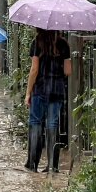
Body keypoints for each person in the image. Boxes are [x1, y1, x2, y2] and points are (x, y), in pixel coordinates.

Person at [24, 29, 72, 173]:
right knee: (53, 125)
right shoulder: (64, 44)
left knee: (35, 124)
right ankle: (52, 165)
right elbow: (68, 71)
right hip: (57, 91)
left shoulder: (37, 42)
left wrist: (28, 93)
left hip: (39, 89)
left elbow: (34, 70)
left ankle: (32, 164)